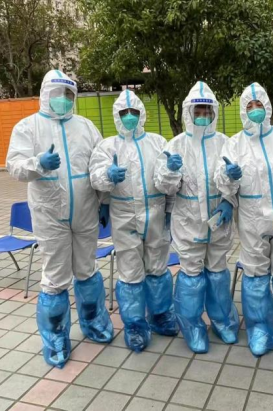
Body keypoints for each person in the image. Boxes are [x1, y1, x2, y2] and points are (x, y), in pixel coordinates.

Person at [7, 69, 113, 369]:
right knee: (55, 278)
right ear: (45, 94)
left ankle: (94, 322)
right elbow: (14, 166)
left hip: (86, 212)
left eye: (68, 94)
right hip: (50, 215)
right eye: (57, 93)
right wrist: (38, 163)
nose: (63, 99)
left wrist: (104, 201)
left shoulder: (86, 127)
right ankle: (55, 338)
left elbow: (100, 164)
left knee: (87, 270)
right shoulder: (28, 127)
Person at [214, 82, 273, 359]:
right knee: (256, 275)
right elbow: (221, 180)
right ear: (243, 110)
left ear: (267, 106)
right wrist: (229, 176)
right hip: (252, 216)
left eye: (259, 104)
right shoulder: (234, 144)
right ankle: (259, 329)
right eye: (250, 106)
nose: (255, 109)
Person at [89, 89, 178, 353]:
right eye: (124, 112)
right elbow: (95, 176)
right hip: (124, 214)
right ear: (117, 116)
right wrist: (108, 175)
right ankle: (135, 325)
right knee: (130, 272)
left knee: (157, 266)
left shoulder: (158, 142)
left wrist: (170, 207)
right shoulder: (108, 146)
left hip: (155, 211)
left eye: (134, 112)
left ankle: (160, 316)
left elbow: (170, 180)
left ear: (142, 114)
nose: (129, 116)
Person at [155, 81, 239, 354]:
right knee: (191, 275)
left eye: (207, 110)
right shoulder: (175, 145)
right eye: (198, 111)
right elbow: (164, 187)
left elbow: (234, 179)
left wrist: (229, 200)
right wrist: (169, 170)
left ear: (214, 112)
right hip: (188, 221)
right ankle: (192, 327)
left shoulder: (225, 143)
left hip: (218, 219)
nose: (203, 115)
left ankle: (223, 321)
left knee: (217, 273)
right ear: (188, 112)